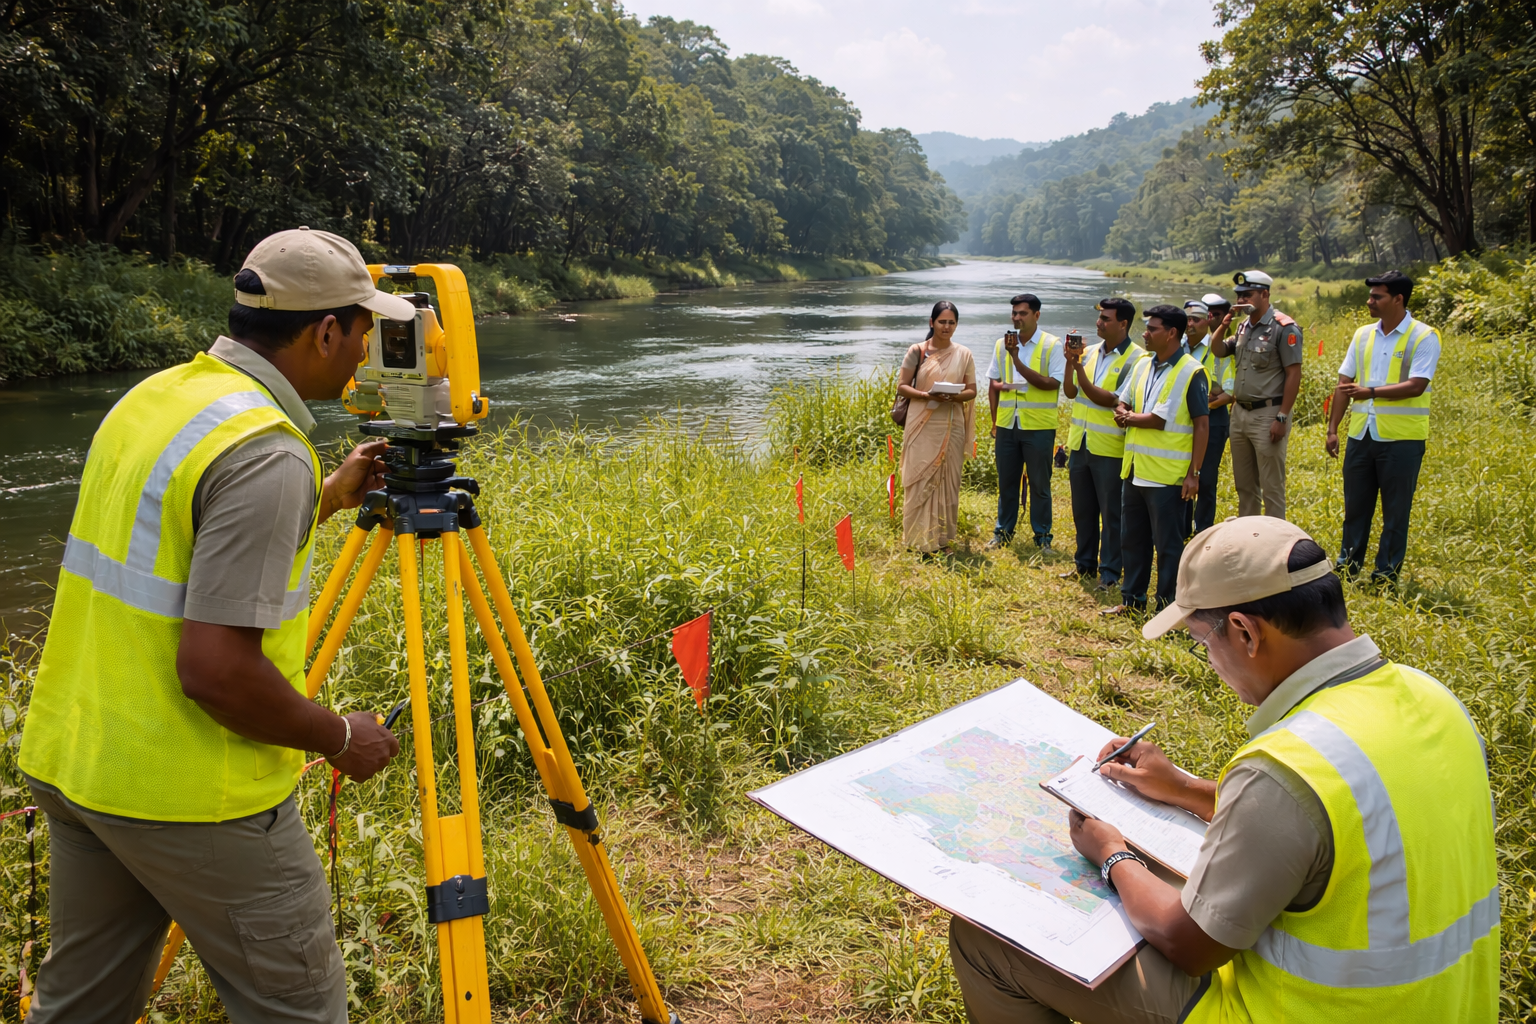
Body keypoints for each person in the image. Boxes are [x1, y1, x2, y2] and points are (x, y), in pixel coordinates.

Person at [18, 227, 407, 1023]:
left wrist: (328, 494)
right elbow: (216, 672)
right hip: (193, 795)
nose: (368, 351)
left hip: (83, 763)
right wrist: (339, 736)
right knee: (298, 1010)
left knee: (79, 1008)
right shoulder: (266, 452)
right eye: (365, 331)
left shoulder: (160, 398)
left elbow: (179, 545)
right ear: (325, 331)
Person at [949, 517, 1498, 1023]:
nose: (1211, 663)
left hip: (1299, 1012)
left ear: (1245, 631)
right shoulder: (1433, 698)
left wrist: (1111, 853)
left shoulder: (1284, 767)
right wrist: (1185, 789)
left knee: (983, 940)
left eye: (1201, 643)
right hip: (1440, 1006)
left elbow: (1187, 944)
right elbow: (1338, 822)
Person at [1326, 270, 1440, 582]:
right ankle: (1347, 568)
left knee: (1395, 513)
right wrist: (1333, 428)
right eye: (1371, 295)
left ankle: (1385, 575)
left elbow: (1416, 385)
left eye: (1377, 296)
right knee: (1355, 509)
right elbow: (1344, 383)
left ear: (1398, 299)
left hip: (1401, 440)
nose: (1370, 301)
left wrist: (1371, 392)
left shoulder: (1423, 336)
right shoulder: (1363, 334)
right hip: (1361, 435)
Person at [1103, 304, 1208, 616]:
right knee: (1132, 540)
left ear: (1172, 333)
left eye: (1152, 329)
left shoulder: (1190, 371)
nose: (1145, 334)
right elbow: (1123, 398)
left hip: (1168, 476)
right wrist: (1122, 410)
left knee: (1168, 547)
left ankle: (1168, 608)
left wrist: (1194, 473)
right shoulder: (1143, 365)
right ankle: (1132, 600)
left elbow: (1189, 423)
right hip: (1135, 469)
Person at [1062, 298, 1143, 589]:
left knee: (1111, 514)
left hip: (1109, 448)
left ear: (1123, 324)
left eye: (1106, 319)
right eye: (1099, 318)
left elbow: (1110, 399)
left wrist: (1078, 367)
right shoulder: (1090, 352)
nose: (1099, 323)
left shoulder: (1137, 359)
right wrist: (1070, 363)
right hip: (1081, 443)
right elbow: (1071, 392)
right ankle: (1084, 564)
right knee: (1083, 510)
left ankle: (1109, 571)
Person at [1210, 270, 1302, 519]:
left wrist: (1282, 417)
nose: (1241, 300)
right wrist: (1224, 323)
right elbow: (1217, 350)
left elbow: (1294, 374)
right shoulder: (1242, 327)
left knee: (1271, 485)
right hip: (1240, 413)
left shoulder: (1284, 328)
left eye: (1247, 295)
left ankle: (1275, 543)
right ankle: (1250, 537)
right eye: (1238, 296)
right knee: (1244, 484)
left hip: (1268, 413)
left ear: (1264, 294)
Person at [985, 293, 1064, 551]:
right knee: (1007, 482)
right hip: (1008, 425)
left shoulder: (1052, 345)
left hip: (1039, 426)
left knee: (1040, 484)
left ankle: (1043, 538)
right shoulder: (1001, 344)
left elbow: (1052, 383)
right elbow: (993, 384)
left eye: (1023, 313)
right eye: (1014, 313)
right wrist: (995, 422)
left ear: (1037, 315)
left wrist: (1016, 359)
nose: (1017, 318)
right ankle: (1002, 533)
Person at [899, 300, 977, 556]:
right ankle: (916, 540)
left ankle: (942, 541)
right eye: (942, 321)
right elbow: (902, 387)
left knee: (947, 480)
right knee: (920, 476)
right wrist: (925, 394)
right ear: (932, 323)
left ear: (956, 325)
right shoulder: (917, 351)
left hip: (952, 423)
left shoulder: (963, 354)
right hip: (921, 421)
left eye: (951, 322)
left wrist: (953, 397)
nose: (946, 326)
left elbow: (972, 391)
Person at [1181, 300, 1234, 537]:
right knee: (1182, 472)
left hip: (1213, 420)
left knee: (1206, 478)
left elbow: (1229, 392)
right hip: (1183, 421)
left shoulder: (1217, 348)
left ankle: (1202, 530)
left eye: (1197, 320)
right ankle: (1182, 528)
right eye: (1188, 319)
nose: (1190, 324)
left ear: (1208, 320)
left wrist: (1202, 405)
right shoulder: (1177, 346)